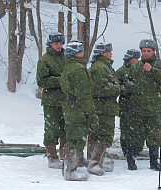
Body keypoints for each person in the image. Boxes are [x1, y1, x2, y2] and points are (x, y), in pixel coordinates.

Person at [125, 39, 161, 171]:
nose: (145, 54)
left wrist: (153, 71)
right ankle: (131, 160)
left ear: (154, 51)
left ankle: (154, 161)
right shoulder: (135, 66)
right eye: (143, 51)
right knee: (134, 135)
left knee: (154, 135)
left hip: (154, 107)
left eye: (148, 51)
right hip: (137, 107)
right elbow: (127, 81)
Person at [60, 40, 99, 181]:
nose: (83, 52)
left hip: (70, 106)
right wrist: (91, 112)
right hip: (77, 107)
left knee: (72, 136)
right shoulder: (78, 69)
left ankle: (69, 166)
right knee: (76, 138)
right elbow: (84, 94)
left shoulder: (68, 67)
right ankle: (71, 170)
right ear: (77, 53)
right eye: (81, 50)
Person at [87, 42, 120, 176]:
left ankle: (95, 160)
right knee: (103, 134)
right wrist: (117, 88)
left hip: (104, 107)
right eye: (108, 51)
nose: (110, 53)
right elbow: (100, 89)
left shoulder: (104, 66)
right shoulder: (101, 68)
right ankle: (94, 163)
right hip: (103, 107)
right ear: (102, 53)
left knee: (96, 134)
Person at [36, 32, 66, 169]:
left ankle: (66, 155)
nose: (59, 46)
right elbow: (42, 80)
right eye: (56, 43)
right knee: (52, 129)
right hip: (51, 101)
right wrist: (60, 80)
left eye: (60, 43)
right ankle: (52, 157)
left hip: (65, 100)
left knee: (66, 129)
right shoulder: (45, 60)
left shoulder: (67, 57)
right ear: (50, 44)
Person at [116, 49, 142, 156]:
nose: (136, 60)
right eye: (135, 58)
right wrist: (128, 88)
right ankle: (126, 150)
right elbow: (117, 88)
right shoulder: (121, 72)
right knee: (126, 128)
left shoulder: (140, 70)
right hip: (126, 105)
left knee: (139, 128)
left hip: (139, 104)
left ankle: (137, 148)